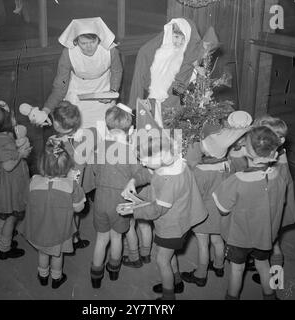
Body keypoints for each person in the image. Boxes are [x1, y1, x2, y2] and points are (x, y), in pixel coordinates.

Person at [119, 134, 207, 300]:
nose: (142, 163)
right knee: (168, 255)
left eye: (145, 159)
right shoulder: (175, 162)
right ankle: (177, 282)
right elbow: (150, 173)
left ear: (161, 156)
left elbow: (156, 210)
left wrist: (133, 210)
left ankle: (169, 297)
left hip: (172, 227)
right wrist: (133, 180)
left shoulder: (169, 181)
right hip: (180, 220)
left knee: (162, 261)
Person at [212, 126, 287, 300]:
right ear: (275, 155)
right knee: (263, 264)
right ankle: (270, 295)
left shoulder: (237, 180)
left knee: (237, 270)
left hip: (239, 237)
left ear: (246, 150)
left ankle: (232, 297)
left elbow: (223, 209)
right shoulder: (279, 177)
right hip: (265, 235)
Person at [181, 112, 252, 287]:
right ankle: (219, 266)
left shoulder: (200, 171)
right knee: (218, 240)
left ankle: (200, 274)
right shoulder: (228, 165)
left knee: (203, 244)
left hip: (203, 213)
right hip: (222, 213)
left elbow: (195, 194)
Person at [84, 104, 142, 288]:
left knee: (101, 239)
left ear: (107, 127)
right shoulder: (130, 152)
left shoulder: (99, 148)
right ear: (131, 129)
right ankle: (114, 271)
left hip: (101, 200)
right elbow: (139, 175)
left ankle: (95, 276)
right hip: (121, 203)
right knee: (117, 237)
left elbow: (94, 169)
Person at [20, 139, 86, 289]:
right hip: (60, 230)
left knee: (43, 253)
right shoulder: (70, 186)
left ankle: (43, 276)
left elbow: (25, 201)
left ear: (41, 164)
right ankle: (56, 278)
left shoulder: (33, 181)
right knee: (57, 254)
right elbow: (78, 208)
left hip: (39, 228)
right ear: (66, 167)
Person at [129, 17, 217, 127]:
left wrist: (199, 70)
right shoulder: (159, 50)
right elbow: (145, 61)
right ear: (169, 34)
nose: (179, 42)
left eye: (183, 38)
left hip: (174, 103)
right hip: (154, 99)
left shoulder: (189, 55)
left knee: (170, 132)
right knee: (153, 130)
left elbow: (196, 60)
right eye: (176, 37)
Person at [42, 17, 123, 136]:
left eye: (93, 42)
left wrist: (112, 91)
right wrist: (46, 109)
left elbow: (117, 71)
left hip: (103, 93)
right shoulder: (68, 54)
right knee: (79, 135)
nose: (89, 47)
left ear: (99, 39)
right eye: (83, 43)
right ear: (75, 41)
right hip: (77, 97)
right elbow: (60, 86)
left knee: (104, 133)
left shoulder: (111, 50)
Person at [250, 115, 295, 284]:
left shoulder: (276, 165)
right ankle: (271, 273)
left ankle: (276, 281)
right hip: (278, 206)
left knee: (274, 244)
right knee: (271, 242)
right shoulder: (278, 152)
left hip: (275, 210)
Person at [0, 100, 31, 259]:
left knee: (1, 215)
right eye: (10, 118)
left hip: (0, 184)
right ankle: (5, 249)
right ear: (4, 124)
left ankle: (2, 237)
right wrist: (21, 154)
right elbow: (8, 166)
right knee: (11, 217)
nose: (13, 119)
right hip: (10, 186)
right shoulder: (4, 141)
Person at [48, 101, 95, 250]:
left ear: (56, 124)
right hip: (74, 184)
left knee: (71, 212)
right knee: (75, 211)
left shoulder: (54, 141)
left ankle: (73, 238)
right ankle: (73, 238)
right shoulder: (85, 136)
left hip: (69, 184)